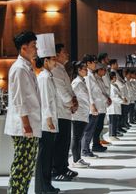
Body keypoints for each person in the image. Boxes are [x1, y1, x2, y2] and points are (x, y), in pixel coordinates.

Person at [5, 31, 41, 194]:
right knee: (21, 166)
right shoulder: (19, 68)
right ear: (24, 48)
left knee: (27, 167)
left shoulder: (26, 67)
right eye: (33, 46)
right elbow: (19, 99)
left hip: (30, 125)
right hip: (24, 127)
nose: (36, 49)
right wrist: (26, 125)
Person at [34, 33, 60, 194]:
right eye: (53, 59)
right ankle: (42, 188)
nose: (55, 62)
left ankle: (46, 185)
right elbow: (44, 101)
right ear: (45, 61)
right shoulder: (43, 77)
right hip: (46, 123)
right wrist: (49, 118)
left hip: (51, 121)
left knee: (48, 156)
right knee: (44, 157)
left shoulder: (48, 76)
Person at [51, 43, 78, 181]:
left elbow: (69, 89)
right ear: (56, 55)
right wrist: (71, 103)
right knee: (60, 143)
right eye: (64, 52)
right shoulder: (55, 70)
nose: (67, 54)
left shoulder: (62, 69)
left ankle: (63, 167)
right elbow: (62, 91)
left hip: (66, 111)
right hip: (60, 112)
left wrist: (74, 101)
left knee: (65, 142)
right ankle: (56, 171)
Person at [71, 61, 91, 168]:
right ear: (79, 70)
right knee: (76, 137)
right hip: (78, 114)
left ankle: (78, 158)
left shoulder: (81, 81)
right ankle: (75, 160)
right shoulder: (77, 83)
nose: (87, 70)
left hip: (82, 113)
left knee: (78, 137)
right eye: (85, 69)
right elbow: (71, 96)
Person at [107, 72, 125, 141]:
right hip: (112, 106)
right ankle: (112, 135)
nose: (116, 78)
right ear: (112, 78)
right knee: (112, 121)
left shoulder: (114, 85)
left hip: (115, 106)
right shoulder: (111, 87)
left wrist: (122, 99)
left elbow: (118, 95)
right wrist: (122, 101)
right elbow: (114, 97)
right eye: (115, 77)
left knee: (114, 121)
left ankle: (113, 134)